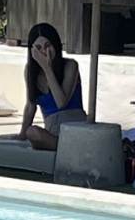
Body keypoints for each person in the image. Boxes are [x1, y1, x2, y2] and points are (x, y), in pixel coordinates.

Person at [18, 21, 88, 150]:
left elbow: (61, 102)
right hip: (52, 132)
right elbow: (30, 106)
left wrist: (47, 68)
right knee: (31, 132)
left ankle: (71, 148)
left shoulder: (70, 65)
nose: (44, 52)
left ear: (55, 45)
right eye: (38, 48)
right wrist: (21, 136)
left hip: (75, 128)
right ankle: (65, 148)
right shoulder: (30, 71)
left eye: (47, 45)